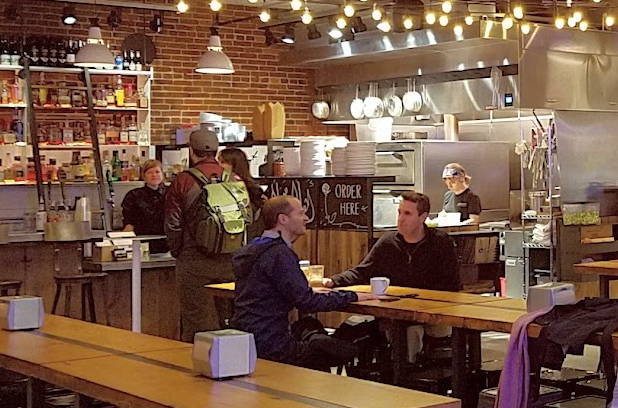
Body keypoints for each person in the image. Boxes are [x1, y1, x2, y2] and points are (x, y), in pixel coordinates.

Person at [231, 195, 381, 369]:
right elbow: (306, 301)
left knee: (312, 331)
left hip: (246, 338)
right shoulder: (279, 254)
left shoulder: (252, 249)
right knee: (341, 350)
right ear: (283, 219)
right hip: (273, 346)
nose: (306, 218)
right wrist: (353, 296)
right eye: (301, 213)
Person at [165, 130, 248, 341]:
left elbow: (173, 224)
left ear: (191, 151)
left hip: (194, 261)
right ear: (216, 150)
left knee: (198, 323)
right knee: (230, 321)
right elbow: (247, 218)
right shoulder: (234, 178)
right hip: (231, 259)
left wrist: (179, 251)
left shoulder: (183, 181)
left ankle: (202, 369)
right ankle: (234, 368)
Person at [326, 192, 460, 292]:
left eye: (407, 214)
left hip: (433, 309)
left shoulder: (441, 243)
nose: (400, 219)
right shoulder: (388, 242)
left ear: (422, 218)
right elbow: (362, 272)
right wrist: (333, 281)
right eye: (399, 212)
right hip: (396, 309)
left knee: (429, 330)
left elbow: (451, 285)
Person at [120, 158, 169, 254]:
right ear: (143, 176)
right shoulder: (134, 195)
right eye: (150, 172)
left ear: (163, 174)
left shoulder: (172, 193)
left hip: (168, 244)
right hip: (142, 244)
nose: (154, 175)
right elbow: (129, 223)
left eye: (157, 172)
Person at [218, 147, 265, 213]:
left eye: (222, 162)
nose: (218, 165)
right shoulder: (219, 184)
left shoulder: (252, 190)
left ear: (234, 164)